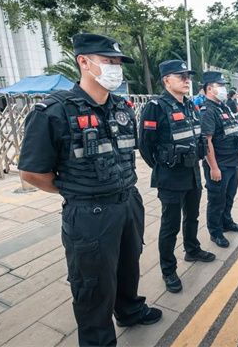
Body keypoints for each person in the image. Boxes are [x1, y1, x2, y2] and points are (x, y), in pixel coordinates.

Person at [18, 33, 161, 346]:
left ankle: (129, 310)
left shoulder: (122, 107)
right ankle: (98, 341)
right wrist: (74, 190)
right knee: (93, 284)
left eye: (118, 63)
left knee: (129, 264)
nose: (115, 68)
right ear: (83, 61)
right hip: (89, 213)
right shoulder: (53, 112)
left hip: (128, 202)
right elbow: (32, 172)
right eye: (108, 61)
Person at [139, 59, 216, 294]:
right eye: (180, 76)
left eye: (188, 76)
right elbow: (145, 146)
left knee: (192, 217)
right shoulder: (155, 107)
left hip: (192, 173)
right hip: (171, 176)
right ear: (166, 80)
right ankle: (168, 269)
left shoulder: (190, 105)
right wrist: (163, 166)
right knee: (170, 225)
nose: (186, 80)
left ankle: (192, 249)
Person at [199, 71, 238, 248]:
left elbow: (232, 131)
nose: (224, 89)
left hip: (231, 161)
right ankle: (215, 232)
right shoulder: (207, 111)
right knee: (217, 200)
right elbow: (207, 141)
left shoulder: (223, 107)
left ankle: (226, 222)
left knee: (229, 195)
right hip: (219, 164)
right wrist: (214, 167)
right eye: (220, 86)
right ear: (209, 89)